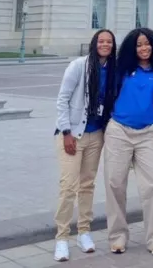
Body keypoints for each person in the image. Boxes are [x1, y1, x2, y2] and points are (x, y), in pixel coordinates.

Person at [104, 28, 153, 258]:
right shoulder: (122, 70)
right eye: (139, 45)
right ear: (133, 48)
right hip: (119, 131)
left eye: (147, 44)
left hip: (147, 133)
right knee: (115, 183)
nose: (144, 48)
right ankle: (118, 236)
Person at [54, 29, 117, 263]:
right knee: (68, 186)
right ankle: (62, 237)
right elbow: (62, 99)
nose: (105, 44)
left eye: (109, 42)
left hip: (96, 134)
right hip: (73, 134)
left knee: (88, 185)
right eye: (101, 41)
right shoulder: (79, 65)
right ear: (94, 43)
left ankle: (84, 232)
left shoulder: (112, 70)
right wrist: (66, 132)